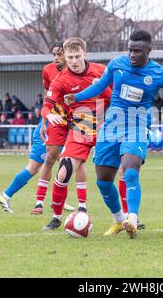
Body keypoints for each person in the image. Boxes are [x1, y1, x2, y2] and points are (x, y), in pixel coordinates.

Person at [64, 30, 163, 239]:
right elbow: (99, 88)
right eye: (130, 50)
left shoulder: (160, 73)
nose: (132, 54)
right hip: (112, 126)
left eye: (137, 51)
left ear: (149, 50)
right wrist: (75, 97)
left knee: (130, 170)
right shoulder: (116, 65)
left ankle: (133, 217)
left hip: (137, 126)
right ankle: (120, 220)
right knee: (103, 181)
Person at [0, 42, 77, 214]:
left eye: (59, 54)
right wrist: (45, 123)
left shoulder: (72, 71)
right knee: (34, 167)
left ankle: (56, 200)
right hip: (48, 126)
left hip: (62, 125)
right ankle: (6, 195)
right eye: (54, 54)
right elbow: (49, 101)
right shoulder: (48, 70)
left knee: (66, 162)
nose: (56, 57)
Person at [41, 37, 113, 231]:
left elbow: (116, 96)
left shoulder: (101, 70)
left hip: (108, 122)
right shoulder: (60, 80)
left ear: (85, 54)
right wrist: (49, 116)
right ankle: (56, 217)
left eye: (77, 56)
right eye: (70, 57)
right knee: (63, 171)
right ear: (65, 56)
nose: (73, 61)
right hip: (83, 124)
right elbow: (46, 106)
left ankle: (129, 217)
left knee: (125, 169)